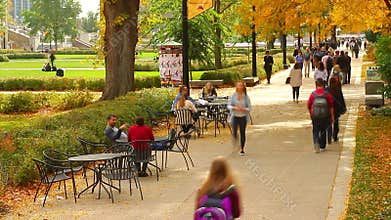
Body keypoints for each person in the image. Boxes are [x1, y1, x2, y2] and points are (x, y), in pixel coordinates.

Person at [307, 79, 334, 153]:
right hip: (325, 115)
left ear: (316, 85)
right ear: (323, 85)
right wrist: (332, 116)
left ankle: (316, 143)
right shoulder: (327, 94)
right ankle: (322, 145)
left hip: (315, 116)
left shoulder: (313, 94)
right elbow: (331, 105)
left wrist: (311, 114)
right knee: (323, 130)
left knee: (315, 130)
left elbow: (309, 105)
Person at [228, 82, 251, 156]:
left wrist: (244, 109)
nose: (240, 87)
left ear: (243, 87)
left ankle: (242, 149)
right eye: (238, 86)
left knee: (242, 132)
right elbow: (229, 105)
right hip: (235, 116)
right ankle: (236, 142)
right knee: (234, 132)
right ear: (236, 87)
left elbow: (249, 107)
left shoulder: (246, 97)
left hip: (243, 117)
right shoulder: (233, 96)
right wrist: (234, 107)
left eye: (241, 86)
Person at [326, 78, 346, 144]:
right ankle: (335, 136)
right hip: (336, 109)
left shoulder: (326, 90)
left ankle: (329, 136)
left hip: (328, 109)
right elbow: (341, 99)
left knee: (329, 123)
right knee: (336, 123)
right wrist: (343, 108)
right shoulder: (338, 90)